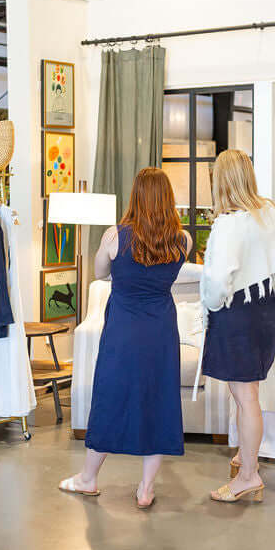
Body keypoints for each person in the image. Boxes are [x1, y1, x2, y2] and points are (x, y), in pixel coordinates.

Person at [59, 168, 192, 509]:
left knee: (110, 399)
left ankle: (88, 479)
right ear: (167, 199)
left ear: (136, 196)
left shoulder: (115, 236)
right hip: (161, 330)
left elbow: (100, 273)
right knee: (159, 403)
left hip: (123, 330)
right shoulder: (184, 240)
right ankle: (145, 490)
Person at [200, 150, 275, 504]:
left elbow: (219, 282)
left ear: (222, 181)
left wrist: (211, 305)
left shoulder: (229, 223)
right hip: (264, 310)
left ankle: (249, 475)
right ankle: (244, 458)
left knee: (245, 396)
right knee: (247, 393)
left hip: (237, 313)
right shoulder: (268, 213)